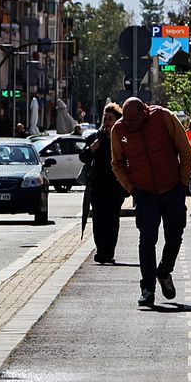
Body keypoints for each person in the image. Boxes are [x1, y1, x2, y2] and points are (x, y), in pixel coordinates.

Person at [109, 97, 191, 308]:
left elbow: (184, 149)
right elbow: (117, 163)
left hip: (172, 188)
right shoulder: (119, 130)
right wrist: (131, 188)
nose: (129, 124)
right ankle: (147, 289)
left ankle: (164, 272)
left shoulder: (163, 117)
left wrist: (183, 182)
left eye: (133, 120)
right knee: (147, 239)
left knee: (175, 235)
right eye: (125, 120)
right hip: (144, 193)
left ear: (144, 112)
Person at [80, 102, 130, 264]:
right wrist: (93, 148)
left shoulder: (122, 138)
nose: (107, 121)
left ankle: (109, 251)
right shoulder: (96, 137)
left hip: (115, 187)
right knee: (98, 219)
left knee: (112, 219)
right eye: (105, 118)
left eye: (110, 118)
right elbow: (83, 157)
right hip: (98, 185)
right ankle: (101, 250)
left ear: (117, 120)